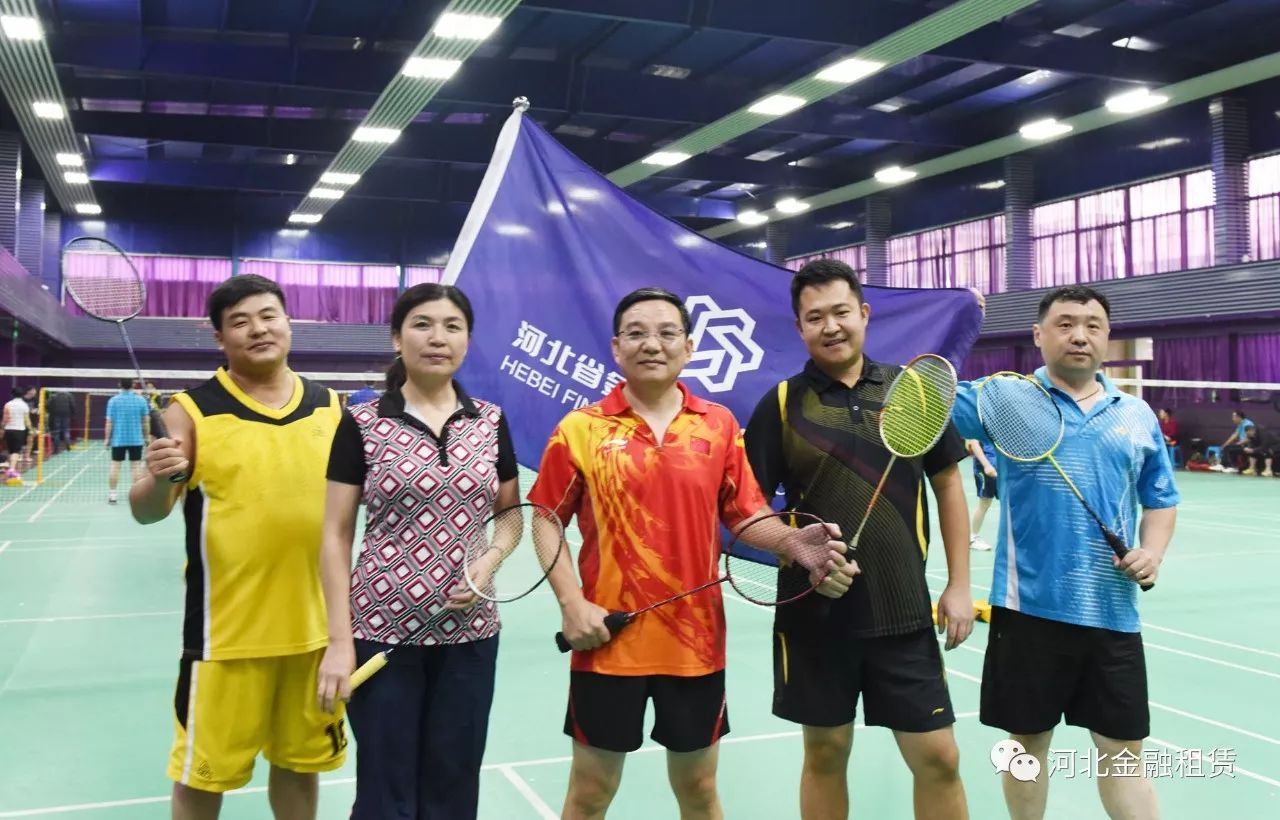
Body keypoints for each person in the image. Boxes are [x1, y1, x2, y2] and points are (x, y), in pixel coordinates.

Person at [530, 287, 855, 820]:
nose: (651, 344)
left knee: (700, 790)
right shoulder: (581, 429)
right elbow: (545, 519)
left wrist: (790, 541)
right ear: (616, 347)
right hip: (606, 640)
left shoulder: (717, 424)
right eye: (636, 333)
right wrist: (571, 604)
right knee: (589, 793)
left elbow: (745, 512)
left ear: (688, 347)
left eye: (667, 333)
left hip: (695, 644)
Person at [744, 260, 975, 820]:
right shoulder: (781, 404)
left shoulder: (911, 391)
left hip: (903, 608)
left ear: (864, 314)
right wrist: (798, 550)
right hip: (814, 613)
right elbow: (747, 511)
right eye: (815, 317)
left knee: (939, 757)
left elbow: (948, 485)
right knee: (826, 754)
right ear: (799, 327)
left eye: (841, 312)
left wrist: (959, 586)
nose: (831, 326)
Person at [951, 285, 1179, 820]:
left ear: (1107, 336)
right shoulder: (1004, 398)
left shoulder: (1137, 414)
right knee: (1026, 744)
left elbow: (1161, 499)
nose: (1080, 335)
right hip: (1028, 607)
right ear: (1039, 334)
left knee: (1123, 751)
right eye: (1065, 323)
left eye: (1092, 325)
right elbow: (922, 398)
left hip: (1113, 611)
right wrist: (954, 322)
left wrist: (1152, 551)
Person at [129, 274, 346, 820]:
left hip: (316, 633)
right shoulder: (190, 410)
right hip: (225, 638)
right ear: (220, 337)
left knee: (300, 767)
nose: (258, 329)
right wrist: (159, 477)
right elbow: (146, 510)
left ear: (288, 322)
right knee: (202, 779)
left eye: (268, 315)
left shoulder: (329, 406)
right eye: (240, 322)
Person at [316, 284, 519, 819]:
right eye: (422, 324)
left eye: (452, 326)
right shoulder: (362, 422)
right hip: (380, 634)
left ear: (468, 340)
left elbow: (510, 516)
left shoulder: (490, 421)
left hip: (471, 637)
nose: (437, 337)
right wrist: (338, 641)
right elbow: (335, 534)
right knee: (387, 794)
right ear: (396, 337)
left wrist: (490, 560)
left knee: (454, 787)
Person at [105, 379, 152, 504]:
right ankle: (138, 495)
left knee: (115, 466)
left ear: (119, 385)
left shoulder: (113, 401)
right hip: (136, 440)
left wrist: (107, 439)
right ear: (133, 385)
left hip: (118, 440)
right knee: (136, 467)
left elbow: (109, 422)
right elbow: (146, 421)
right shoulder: (141, 400)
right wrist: (147, 437)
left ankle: (112, 495)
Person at [966, 439, 998, 552]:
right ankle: (972, 538)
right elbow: (974, 444)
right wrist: (987, 465)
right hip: (985, 466)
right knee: (985, 502)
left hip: (1000, 464)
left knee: (1008, 501)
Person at [47, 389, 76, 453]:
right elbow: (73, 406)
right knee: (66, 430)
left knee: (56, 432)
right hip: (66, 415)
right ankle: (68, 445)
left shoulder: (53, 396)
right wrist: (72, 414)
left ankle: (56, 449)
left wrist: (51, 412)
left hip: (56, 415)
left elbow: (48, 405)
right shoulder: (69, 396)